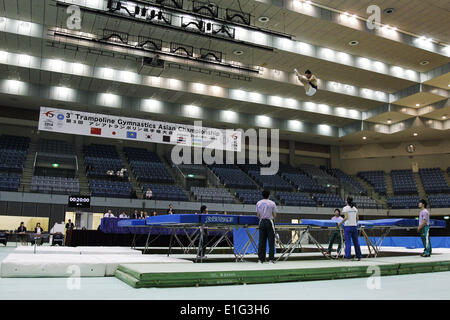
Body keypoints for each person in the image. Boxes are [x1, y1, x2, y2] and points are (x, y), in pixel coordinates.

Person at [256, 190, 277, 264]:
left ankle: (260, 260)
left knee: (261, 241)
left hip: (261, 222)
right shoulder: (272, 203)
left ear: (262, 195)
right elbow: (274, 215)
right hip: (269, 222)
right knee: (271, 241)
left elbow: (258, 215)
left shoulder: (258, 203)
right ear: (269, 195)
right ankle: (271, 259)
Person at [338, 197, 362, 261]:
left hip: (348, 227)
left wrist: (340, 223)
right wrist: (355, 223)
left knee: (348, 242)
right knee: (356, 242)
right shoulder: (355, 208)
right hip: (354, 227)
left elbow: (346, 217)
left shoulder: (345, 208)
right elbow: (357, 218)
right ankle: (359, 256)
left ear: (347, 201)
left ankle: (348, 257)